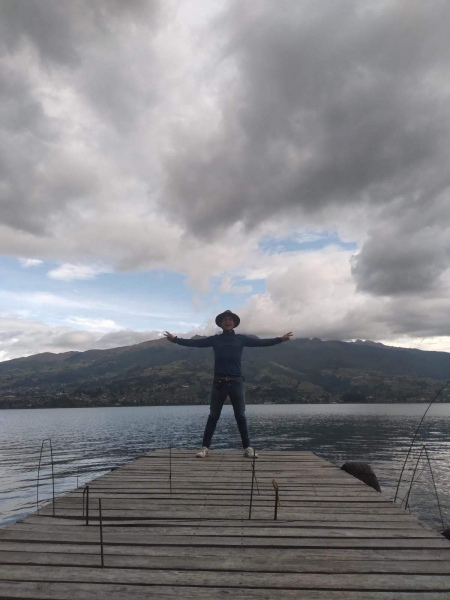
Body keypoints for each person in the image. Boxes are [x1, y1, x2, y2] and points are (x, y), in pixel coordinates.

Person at [164, 310, 293, 459]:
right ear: (221, 323)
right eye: (225, 319)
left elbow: (260, 343)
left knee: (240, 416)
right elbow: (195, 343)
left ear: (234, 323)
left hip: (236, 382)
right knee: (213, 416)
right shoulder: (215, 340)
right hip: (219, 383)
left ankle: (247, 448)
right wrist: (175, 339)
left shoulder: (241, 339)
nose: (228, 321)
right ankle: (205, 448)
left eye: (230, 319)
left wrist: (280, 339)